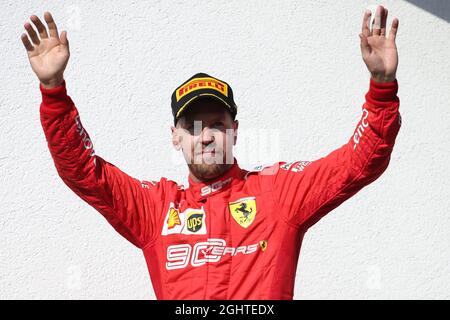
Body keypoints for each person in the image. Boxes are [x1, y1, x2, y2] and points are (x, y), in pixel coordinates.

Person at [21, 6, 400, 299]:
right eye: (193, 127)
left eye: (217, 125)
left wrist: (381, 86)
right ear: (175, 137)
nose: (206, 137)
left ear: (234, 132)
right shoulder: (156, 208)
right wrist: (54, 91)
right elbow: (83, 171)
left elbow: (359, 162)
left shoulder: (277, 193)